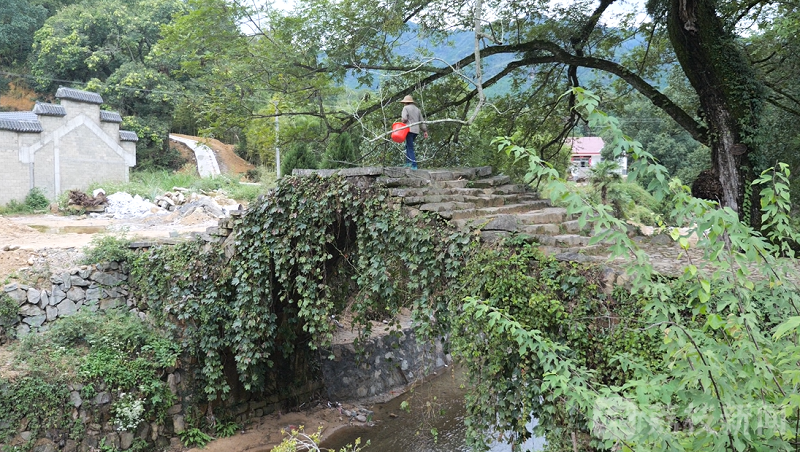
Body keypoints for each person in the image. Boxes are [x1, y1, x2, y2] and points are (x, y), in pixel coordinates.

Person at [399, 95, 428, 170]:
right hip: (416, 131)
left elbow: (404, 119)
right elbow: (422, 121)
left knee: (410, 147)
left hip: (408, 130)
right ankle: (408, 163)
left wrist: (402, 120)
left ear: (406, 102)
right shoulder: (417, 109)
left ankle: (413, 165)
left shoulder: (405, 108)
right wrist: (425, 131)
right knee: (408, 145)